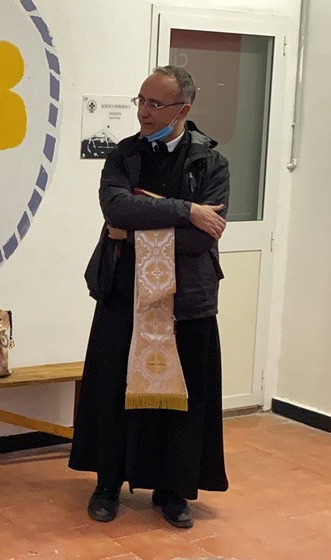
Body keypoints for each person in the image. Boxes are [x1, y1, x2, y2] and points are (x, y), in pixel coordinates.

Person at [69, 65, 230, 529]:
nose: (143, 111)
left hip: (187, 301)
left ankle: (173, 491)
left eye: (155, 104)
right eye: (140, 100)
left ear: (184, 109)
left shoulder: (210, 162)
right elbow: (116, 209)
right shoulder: (124, 153)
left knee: (181, 399)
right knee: (112, 392)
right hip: (124, 295)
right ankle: (107, 485)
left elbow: (203, 238)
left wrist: (138, 231)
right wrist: (186, 210)